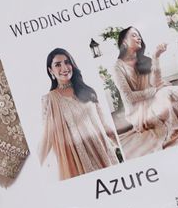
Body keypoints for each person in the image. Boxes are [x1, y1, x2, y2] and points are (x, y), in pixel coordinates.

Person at [38, 48, 119, 181]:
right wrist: (37, 167)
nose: (64, 68)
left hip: (103, 154)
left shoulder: (87, 91)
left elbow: (105, 126)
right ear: (50, 70)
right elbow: (47, 137)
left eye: (67, 62)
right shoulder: (49, 100)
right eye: (57, 65)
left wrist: (122, 146)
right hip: (79, 163)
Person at [113, 27, 178, 151]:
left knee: (176, 91)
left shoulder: (145, 60)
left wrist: (156, 57)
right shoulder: (117, 67)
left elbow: (156, 83)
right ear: (124, 41)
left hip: (156, 99)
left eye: (139, 35)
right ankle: (175, 128)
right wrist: (154, 90)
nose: (139, 37)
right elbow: (129, 97)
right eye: (134, 35)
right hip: (138, 112)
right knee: (165, 93)